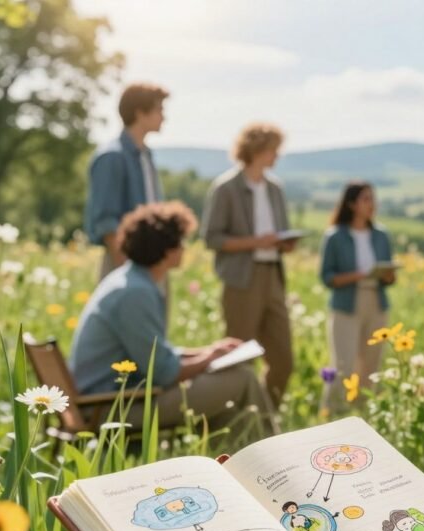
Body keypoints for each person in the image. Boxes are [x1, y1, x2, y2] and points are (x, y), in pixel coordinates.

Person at [70, 202, 272, 433]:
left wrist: (208, 351)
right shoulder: (136, 293)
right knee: (241, 378)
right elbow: (163, 372)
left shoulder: (129, 280)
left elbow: (155, 353)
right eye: (181, 243)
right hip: (111, 407)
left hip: (112, 399)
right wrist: (209, 359)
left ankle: (245, 461)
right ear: (166, 250)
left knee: (231, 416)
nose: (184, 249)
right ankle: (277, 455)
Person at [202, 123, 295, 404]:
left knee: (283, 359)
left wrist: (283, 243)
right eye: (273, 150)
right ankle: (238, 417)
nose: (276, 156)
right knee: (239, 357)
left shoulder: (275, 189)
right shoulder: (226, 188)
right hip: (242, 279)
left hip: (273, 276)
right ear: (256, 150)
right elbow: (212, 238)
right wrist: (255, 242)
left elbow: (279, 231)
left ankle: (266, 415)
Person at [319, 181, 395, 414]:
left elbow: (389, 276)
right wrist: (356, 276)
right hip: (346, 303)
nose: (372, 204)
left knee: (371, 363)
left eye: (373, 198)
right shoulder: (335, 237)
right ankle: (333, 411)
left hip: (376, 301)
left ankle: (364, 412)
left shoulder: (381, 235)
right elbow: (327, 277)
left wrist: (388, 275)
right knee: (344, 364)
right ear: (351, 204)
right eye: (366, 199)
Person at [84, 83, 169, 280]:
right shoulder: (112, 157)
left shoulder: (146, 156)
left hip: (153, 262)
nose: (164, 117)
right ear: (140, 113)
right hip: (125, 264)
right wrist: (129, 273)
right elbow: (107, 222)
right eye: (159, 110)